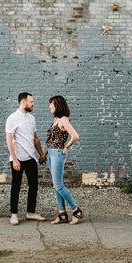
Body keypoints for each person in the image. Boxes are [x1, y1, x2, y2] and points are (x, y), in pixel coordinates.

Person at [5, 92, 47, 225]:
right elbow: (9, 141)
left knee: (34, 185)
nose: (33, 104)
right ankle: (14, 214)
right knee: (16, 186)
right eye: (31, 102)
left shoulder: (31, 118)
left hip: (31, 158)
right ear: (23, 102)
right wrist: (15, 159)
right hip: (17, 159)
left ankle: (30, 212)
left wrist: (41, 154)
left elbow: (35, 138)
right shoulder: (12, 118)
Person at [46, 95, 83, 225]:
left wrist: (66, 147)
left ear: (57, 105)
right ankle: (62, 214)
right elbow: (51, 139)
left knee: (58, 185)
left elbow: (75, 136)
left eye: (51, 104)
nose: (50, 106)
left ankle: (76, 210)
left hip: (57, 153)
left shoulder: (63, 120)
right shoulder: (56, 119)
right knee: (57, 185)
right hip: (51, 154)